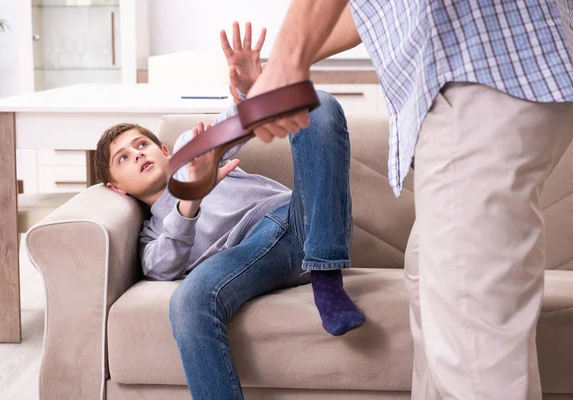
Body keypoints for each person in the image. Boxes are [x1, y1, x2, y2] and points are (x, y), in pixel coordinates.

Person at [246, 1, 573, 399]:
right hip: (517, 76)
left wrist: (287, 62)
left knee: (475, 365)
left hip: (479, 79)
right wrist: (286, 64)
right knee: (430, 287)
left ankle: (324, 274)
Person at [93, 22, 364, 400]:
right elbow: (163, 268)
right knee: (187, 300)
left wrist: (248, 92)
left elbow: (235, 124)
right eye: (124, 157)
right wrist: (191, 199)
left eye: (142, 144)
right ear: (116, 186)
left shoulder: (191, 148)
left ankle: (325, 274)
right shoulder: (153, 234)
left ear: (166, 151)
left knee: (315, 102)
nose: (138, 153)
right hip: (249, 259)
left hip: (300, 220)